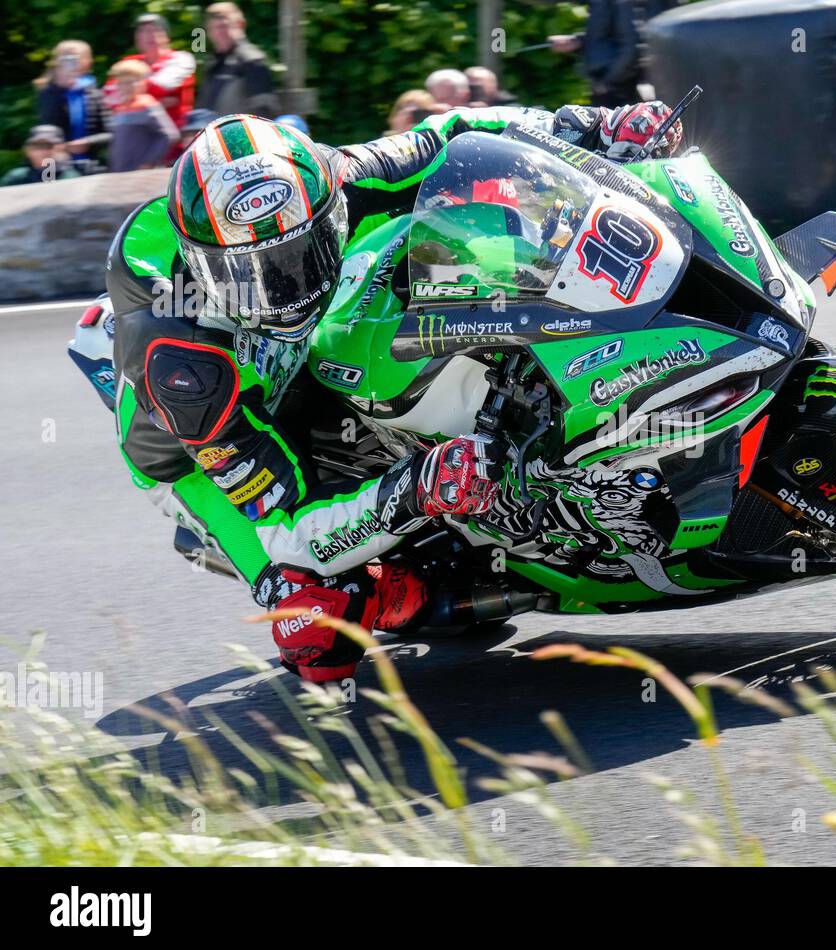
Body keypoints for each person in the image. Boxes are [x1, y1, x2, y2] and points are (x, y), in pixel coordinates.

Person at [104, 102, 684, 682]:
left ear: (329, 212)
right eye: (252, 273)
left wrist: (592, 124)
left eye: (298, 258)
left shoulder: (340, 178)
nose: (284, 290)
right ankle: (398, 591)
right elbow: (288, 529)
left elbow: (459, 133)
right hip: (200, 446)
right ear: (202, 268)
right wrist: (419, 489)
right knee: (315, 619)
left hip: (305, 357)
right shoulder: (185, 370)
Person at [550, 0, 679, 106]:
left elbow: (632, 46)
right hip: (604, 86)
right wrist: (577, 42)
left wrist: (609, 81)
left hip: (617, 90)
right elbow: (603, 37)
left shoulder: (621, 3)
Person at [104, 13, 196, 152]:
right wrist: (157, 102)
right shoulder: (129, 62)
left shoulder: (181, 59)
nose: (150, 34)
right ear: (137, 39)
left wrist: (131, 98)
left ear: (167, 35)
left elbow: (162, 87)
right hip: (136, 148)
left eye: (155, 29)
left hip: (173, 146)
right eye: (143, 31)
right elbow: (109, 96)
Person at [35, 40, 112, 170]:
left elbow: (110, 133)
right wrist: (60, 86)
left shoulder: (96, 95)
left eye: (75, 57)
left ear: (87, 62)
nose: (70, 62)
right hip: (56, 165)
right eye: (64, 57)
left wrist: (88, 142)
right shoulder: (48, 93)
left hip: (93, 163)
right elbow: (47, 129)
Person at [194, 2, 280, 117]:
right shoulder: (212, 64)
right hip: (213, 131)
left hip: (241, 132)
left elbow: (264, 111)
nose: (220, 33)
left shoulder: (252, 60)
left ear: (241, 25)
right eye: (215, 28)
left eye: (225, 26)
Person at [106, 59, 179, 171]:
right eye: (122, 83)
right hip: (120, 171)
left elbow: (169, 136)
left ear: (143, 83)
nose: (127, 87)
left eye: (132, 82)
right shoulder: (120, 108)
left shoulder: (148, 105)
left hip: (141, 174)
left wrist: (149, 162)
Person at [0, 125, 81, 187]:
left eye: (49, 146)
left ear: (61, 148)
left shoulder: (70, 178)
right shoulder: (16, 177)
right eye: (37, 146)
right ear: (28, 150)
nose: (43, 151)